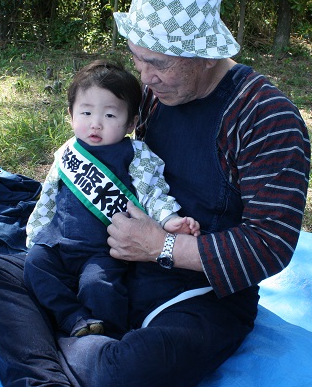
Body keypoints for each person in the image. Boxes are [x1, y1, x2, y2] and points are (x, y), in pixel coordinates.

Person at [0, 0, 311, 387]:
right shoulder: (158, 93)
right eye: (138, 60)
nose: (146, 78)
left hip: (196, 292)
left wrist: (161, 246)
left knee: (128, 373)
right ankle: (52, 356)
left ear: (206, 54)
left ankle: (26, 332)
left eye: (160, 64)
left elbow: (270, 246)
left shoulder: (266, 118)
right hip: (107, 261)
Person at [23, 60, 200, 339]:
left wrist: (170, 220)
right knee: (34, 265)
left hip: (102, 251)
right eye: (86, 112)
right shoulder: (68, 153)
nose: (96, 123)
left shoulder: (136, 154)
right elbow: (48, 197)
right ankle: (72, 318)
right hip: (57, 242)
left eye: (109, 115)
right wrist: (35, 234)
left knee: (100, 287)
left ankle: (109, 337)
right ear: (71, 115)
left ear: (130, 122)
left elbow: (153, 192)